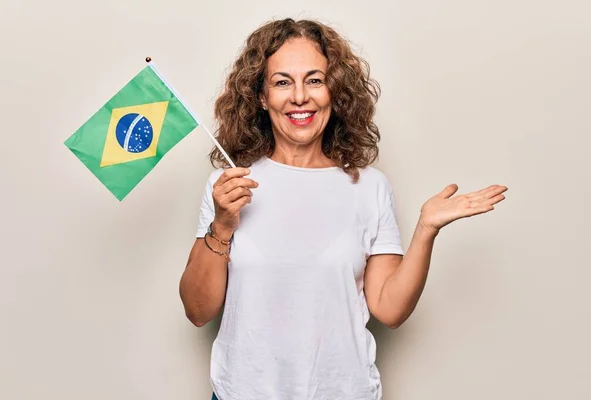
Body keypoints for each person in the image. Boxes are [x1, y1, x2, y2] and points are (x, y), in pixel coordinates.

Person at [179, 18, 507, 400]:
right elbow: (198, 311)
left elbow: (389, 309)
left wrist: (426, 230)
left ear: (335, 92)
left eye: (315, 80)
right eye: (282, 81)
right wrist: (221, 225)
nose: (300, 96)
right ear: (261, 96)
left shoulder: (369, 187)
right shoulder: (230, 187)